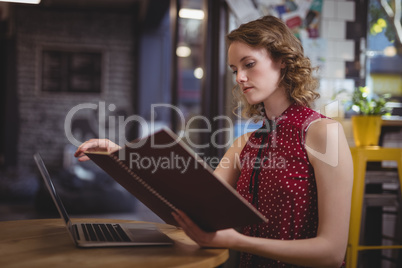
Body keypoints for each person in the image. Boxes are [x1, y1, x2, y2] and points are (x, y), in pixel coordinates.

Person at [75, 15, 353, 268]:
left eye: (249, 64)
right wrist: (122, 158)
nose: (240, 78)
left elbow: (330, 252)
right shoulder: (245, 143)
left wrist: (237, 242)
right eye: (234, 69)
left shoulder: (322, 132)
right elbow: (191, 201)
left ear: (282, 60)